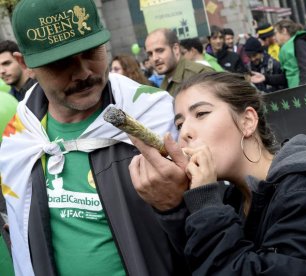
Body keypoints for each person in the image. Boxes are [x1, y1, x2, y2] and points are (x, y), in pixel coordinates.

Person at [0, 0, 189, 275]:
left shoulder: (156, 114)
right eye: (60, 62)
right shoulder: (20, 137)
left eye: (91, 52)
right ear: (25, 63)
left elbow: (213, 233)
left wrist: (176, 205)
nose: (83, 72)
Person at [128, 71, 306, 275]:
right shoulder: (231, 200)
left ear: (247, 121)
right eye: (179, 124)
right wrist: (173, 206)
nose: (185, 133)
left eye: (201, 114)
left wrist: (206, 206)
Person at [145, 28, 213, 95]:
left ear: (175, 49)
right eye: (150, 54)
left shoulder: (199, 75)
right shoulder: (164, 83)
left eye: (160, 50)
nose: (154, 58)